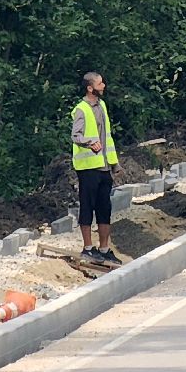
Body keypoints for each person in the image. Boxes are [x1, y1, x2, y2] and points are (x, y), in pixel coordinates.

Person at [71, 72, 122, 264]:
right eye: (100, 83)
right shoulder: (81, 109)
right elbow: (75, 136)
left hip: (103, 167)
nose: (104, 85)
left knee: (104, 208)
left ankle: (104, 248)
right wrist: (89, 142)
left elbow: (107, 137)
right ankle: (87, 248)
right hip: (88, 168)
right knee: (87, 206)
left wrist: (114, 163)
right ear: (90, 88)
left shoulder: (102, 106)